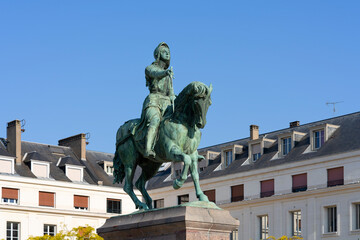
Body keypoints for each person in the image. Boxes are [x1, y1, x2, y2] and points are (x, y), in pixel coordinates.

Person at [137, 42, 175, 159]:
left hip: (167, 102)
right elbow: (155, 73)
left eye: (168, 52)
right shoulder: (150, 68)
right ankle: (148, 149)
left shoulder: (168, 75)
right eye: (164, 52)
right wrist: (165, 73)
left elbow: (171, 92)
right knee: (155, 120)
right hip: (153, 100)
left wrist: (176, 99)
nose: (167, 54)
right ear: (158, 54)